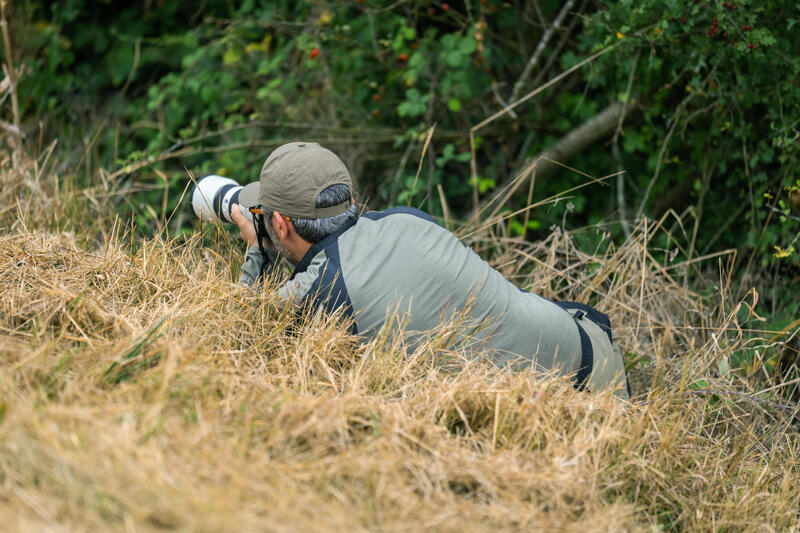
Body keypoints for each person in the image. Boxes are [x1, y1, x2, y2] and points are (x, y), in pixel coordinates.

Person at [231, 141, 630, 399]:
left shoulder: (322, 292)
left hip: (569, 417)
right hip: (595, 355)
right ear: (350, 199)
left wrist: (258, 252)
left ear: (280, 225)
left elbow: (236, 336)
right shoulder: (407, 218)